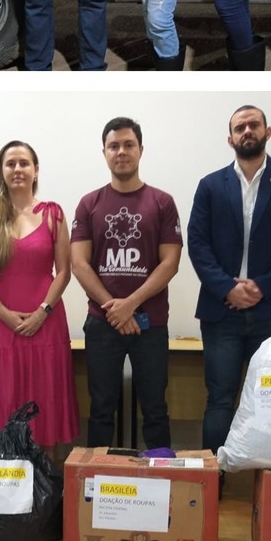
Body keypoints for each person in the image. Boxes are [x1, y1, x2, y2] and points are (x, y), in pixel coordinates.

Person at [187, 105, 271, 453]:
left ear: (267, 131)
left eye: (253, 125)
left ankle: (266, 486)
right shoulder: (211, 185)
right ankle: (214, 482)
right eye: (240, 127)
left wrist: (262, 286)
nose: (247, 131)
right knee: (220, 399)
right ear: (230, 139)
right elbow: (197, 243)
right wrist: (228, 287)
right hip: (221, 311)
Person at [70, 117, 182, 448]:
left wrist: (130, 305)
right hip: (102, 324)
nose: (121, 151)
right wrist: (114, 309)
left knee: (156, 409)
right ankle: (94, 487)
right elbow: (79, 264)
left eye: (128, 144)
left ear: (141, 150)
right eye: (114, 146)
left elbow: (170, 263)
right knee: (102, 408)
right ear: (104, 153)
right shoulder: (89, 203)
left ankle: (162, 479)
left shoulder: (162, 202)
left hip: (151, 323)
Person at [0, 140, 79, 450]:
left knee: (45, 397)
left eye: (24, 163)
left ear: (36, 170)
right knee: (7, 398)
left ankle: (45, 486)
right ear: (1, 171)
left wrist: (42, 312)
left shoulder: (53, 214)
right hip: (3, 325)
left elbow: (64, 272)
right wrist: (3, 312)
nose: (17, 169)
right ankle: (9, 483)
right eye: (11, 163)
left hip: (46, 323)